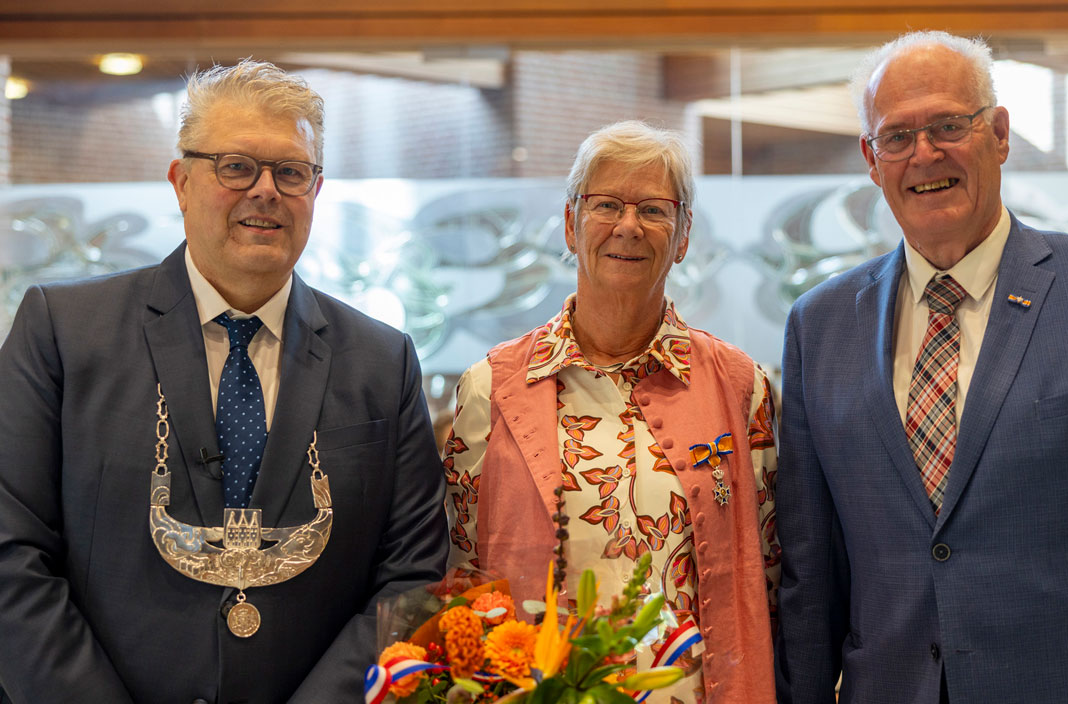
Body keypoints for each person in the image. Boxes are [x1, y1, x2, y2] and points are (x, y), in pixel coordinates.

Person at [0, 60, 448, 704]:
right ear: (181, 182)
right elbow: (11, 552)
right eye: (236, 166)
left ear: (315, 192)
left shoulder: (383, 360)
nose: (265, 190)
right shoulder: (64, 332)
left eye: (290, 171)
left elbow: (410, 577)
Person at [775, 30, 1068, 704]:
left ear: (999, 135)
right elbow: (810, 573)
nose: (924, 154)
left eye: (949, 125)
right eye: (897, 136)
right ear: (871, 157)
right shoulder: (820, 326)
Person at [443, 120, 779, 702]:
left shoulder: (741, 386)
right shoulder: (491, 389)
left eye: (653, 209)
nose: (628, 226)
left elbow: (770, 575)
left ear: (684, 234)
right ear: (572, 225)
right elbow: (464, 572)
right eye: (606, 205)